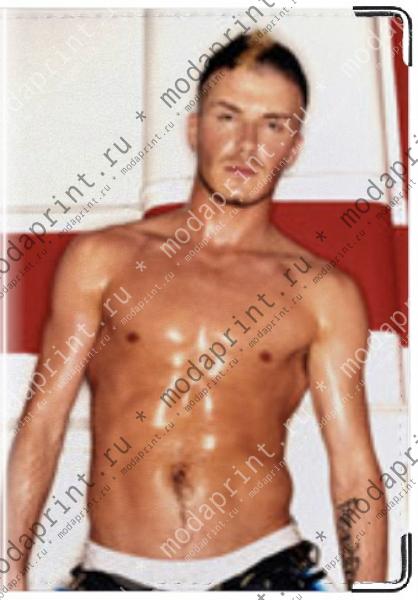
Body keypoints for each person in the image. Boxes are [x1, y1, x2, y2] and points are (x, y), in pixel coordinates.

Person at [6, 32, 387, 591]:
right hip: (115, 574)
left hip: (264, 569)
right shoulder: (102, 260)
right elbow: (43, 423)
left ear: (293, 147)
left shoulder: (322, 293)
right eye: (228, 117)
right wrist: (9, 576)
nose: (247, 144)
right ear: (194, 129)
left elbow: (354, 469)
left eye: (273, 125)